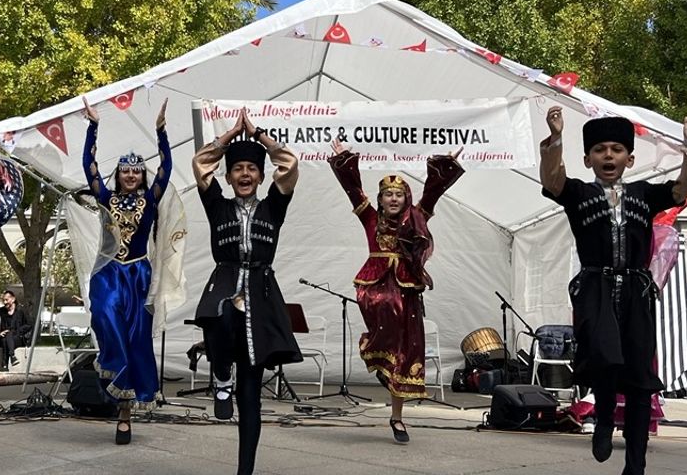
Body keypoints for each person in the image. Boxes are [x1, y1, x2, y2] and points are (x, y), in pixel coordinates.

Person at [539, 105, 687, 475]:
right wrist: (555, 140)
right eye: (600, 150)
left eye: (616, 149)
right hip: (595, 289)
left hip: (636, 292)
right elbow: (553, 182)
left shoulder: (644, 194)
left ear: (629, 158)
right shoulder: (579, 193)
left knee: (638, 379)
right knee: (603, 357)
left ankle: (636, 466)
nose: (608, 156)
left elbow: (682, 189)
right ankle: (602, 418)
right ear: (587, 159)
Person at [328, 139, 463, 443]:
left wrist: (444, 168)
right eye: (387, 194)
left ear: (406, 197)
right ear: (380, 198)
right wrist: (345, 163)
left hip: (406, 288)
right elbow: (353, 191)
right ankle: (375, 350)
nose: (393, 198)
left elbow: (433, 192)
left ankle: (397, 418)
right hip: (376, 284)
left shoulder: (416, 217)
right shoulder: (370, 218)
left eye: (398, 194)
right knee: (385, 307)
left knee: (406, 353)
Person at [192, 109, 301, 475]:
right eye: (238, 169)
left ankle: (245, 470)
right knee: (220, 312)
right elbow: (200, 164)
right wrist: (228, 138)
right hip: (224, 281)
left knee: (251, 395)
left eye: (251, 169)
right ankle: (221, 375)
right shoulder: (216, 205)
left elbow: (289, 163)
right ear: (229, 175)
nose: (244, 174)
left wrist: (258, 136)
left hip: (261, 295)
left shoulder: (275, 205)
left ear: (260, 176)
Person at [80, 96, 179, 445]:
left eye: (137, 170)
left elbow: (167, 166)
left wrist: (161, 131)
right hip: (109, 272)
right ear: (119, 174)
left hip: (139, 274)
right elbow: (88, 166)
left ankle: (124, 413)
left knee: (136, 340)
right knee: (106, 317)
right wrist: (93, 128)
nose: (132, 174)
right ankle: (113, 376)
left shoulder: (151, 199)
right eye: (126, 170)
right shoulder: (105, 197)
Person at [0, 290, 31, 372]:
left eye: (6, 300)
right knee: (5, 338)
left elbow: (28, 325)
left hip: (17, 337)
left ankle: (4, 364)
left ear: (13, 299)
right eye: (3, 300)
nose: (5, 302)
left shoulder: (21, 311)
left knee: (8, 335)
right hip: (4, 337)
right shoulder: (0, 311)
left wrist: (17, 331)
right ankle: (12, 357)